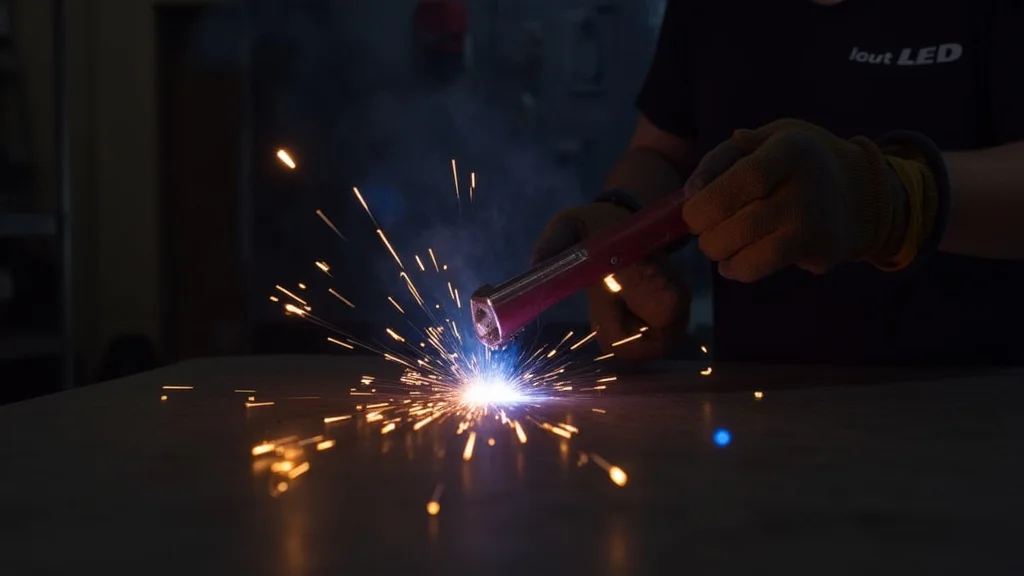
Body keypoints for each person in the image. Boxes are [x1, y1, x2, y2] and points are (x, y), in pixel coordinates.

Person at [533, 0, 1024, 365]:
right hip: (758, 401)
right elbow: (664, 151)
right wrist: (622, 217)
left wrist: (892, 198)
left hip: (969, 403)